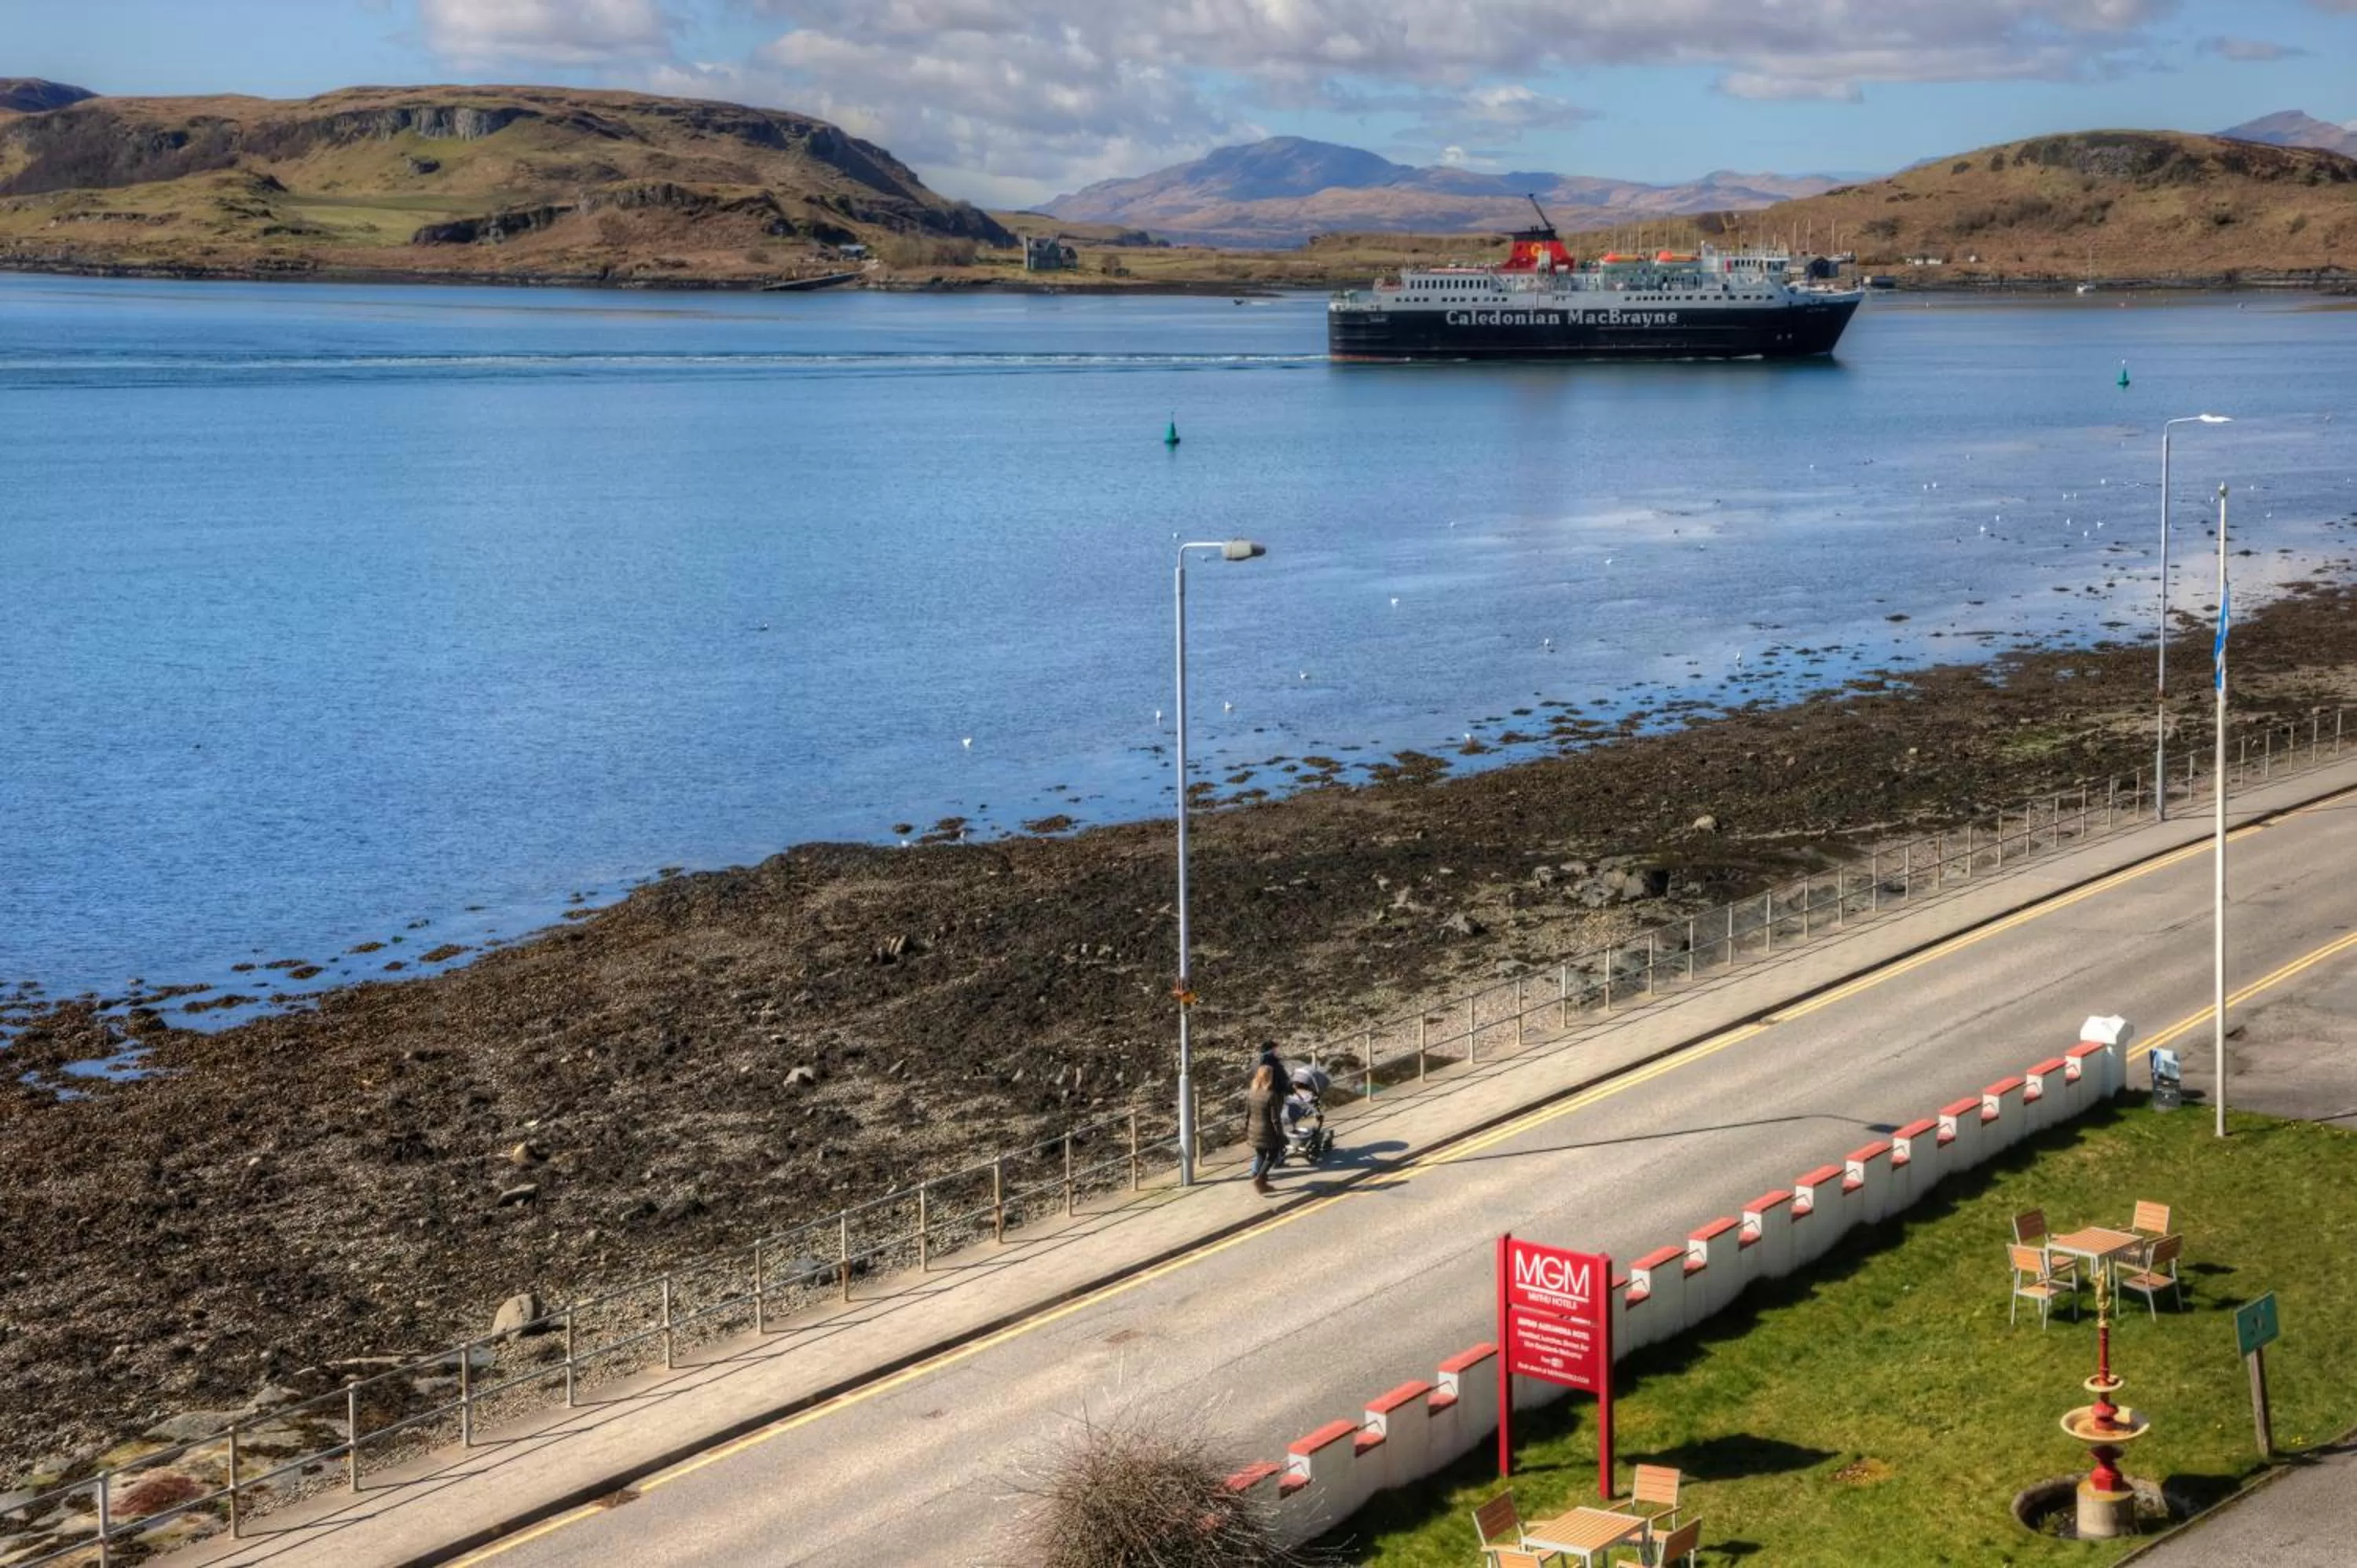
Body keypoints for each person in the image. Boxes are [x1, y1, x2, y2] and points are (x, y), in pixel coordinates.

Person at [1244, 1064, 1286, 1195]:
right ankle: (1260, 1179)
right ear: (1269, 1077)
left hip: (1253, 1130)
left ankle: (1262, 1182)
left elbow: (1247, 1114)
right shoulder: (1270, 1095)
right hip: (1267, 1130)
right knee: (1273, 1154)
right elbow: (1275, 1119)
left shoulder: (1251, 1093)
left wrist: (1246, 1130)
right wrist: (1280, 1135)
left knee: (1261, 1154)